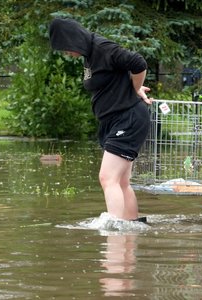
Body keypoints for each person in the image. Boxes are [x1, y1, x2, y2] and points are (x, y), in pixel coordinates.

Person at [49, 18, 151, 222]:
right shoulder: (89, 56)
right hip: (115, 121)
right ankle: (130, 233)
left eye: (66, 48)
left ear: (73, 39)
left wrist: (136, 88)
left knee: (107, 178)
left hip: (128, 118)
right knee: (121, 182)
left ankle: (113, 231)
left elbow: (139, 63)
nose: (67, 54)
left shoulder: (103, 48)